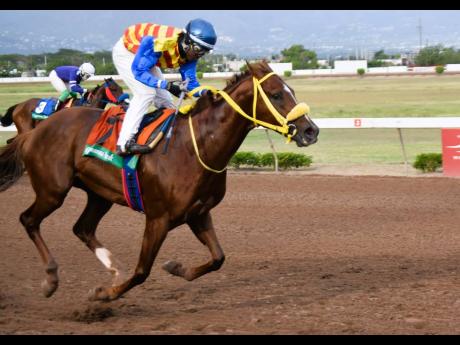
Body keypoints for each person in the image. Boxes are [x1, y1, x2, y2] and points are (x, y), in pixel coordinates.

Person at [112, 18, 217, 155]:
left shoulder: (190, 53)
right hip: (129, 52)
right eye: (198, 50)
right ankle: (123, 143)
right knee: (146, 93)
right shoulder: (161, 43)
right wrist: (167, 85)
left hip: (148, 58)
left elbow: (191, 85)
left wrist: (208, 93)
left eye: (204, 52)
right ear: (188, 42)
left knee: (167, 102)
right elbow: (139, 72)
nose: (199, 55)